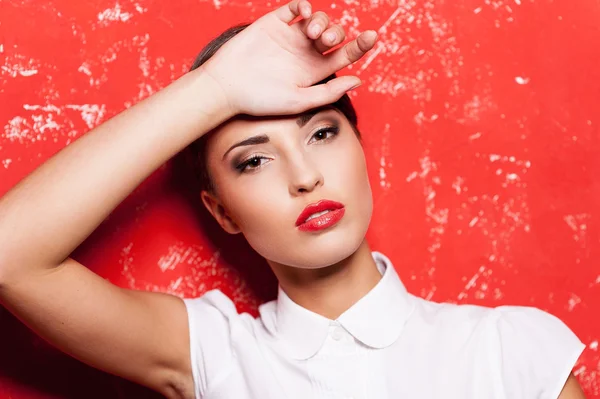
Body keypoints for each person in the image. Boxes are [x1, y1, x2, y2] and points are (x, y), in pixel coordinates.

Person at [0, 1, 587, 398]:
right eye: (254, 159)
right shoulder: (216, 354)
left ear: (360, 150)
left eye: (323, 133)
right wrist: (215, 90)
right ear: (221, 210)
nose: (304, 176)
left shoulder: (513, 350)